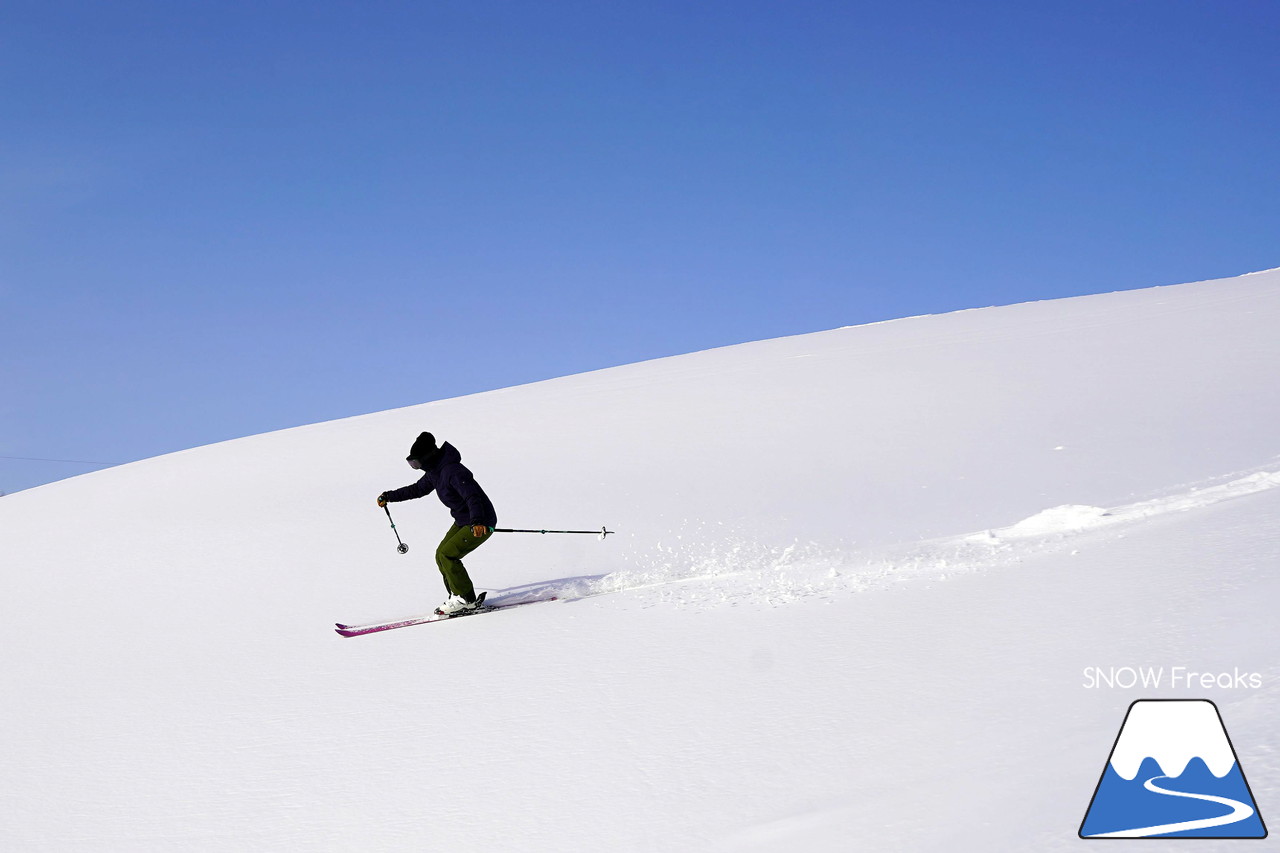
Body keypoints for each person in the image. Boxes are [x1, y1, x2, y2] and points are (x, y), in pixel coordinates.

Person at [378, 432, 498, 615]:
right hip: (463, 520)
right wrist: (390, 496)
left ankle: (464, 599)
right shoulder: (435, 472)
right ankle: (461, 598)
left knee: (448, 554)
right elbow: (418, 489)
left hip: (480, 521)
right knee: (440, 555)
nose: (416, 467)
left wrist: (478, 521)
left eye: (416, 463)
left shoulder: (452, 470)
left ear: (429, 456)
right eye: (412, 464)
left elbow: (472, 496)